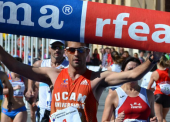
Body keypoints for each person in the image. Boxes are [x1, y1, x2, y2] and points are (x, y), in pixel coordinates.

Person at [0, 41, 162, 122]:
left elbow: (132, 75)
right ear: (66, 52)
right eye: (72, 50)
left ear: (87, 53)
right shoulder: (53, 74)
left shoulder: (97, 78)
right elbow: (15, 66)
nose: (76, 54)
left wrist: (151, 60)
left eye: (81, 50)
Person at [25, 39, 69, 122]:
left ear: (64, 49)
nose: (57, 50)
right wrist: (30, 89)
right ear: (49, 48)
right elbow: (31, 74)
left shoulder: (69, 66)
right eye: (54, 47)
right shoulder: (41, 64)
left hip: (62, 109)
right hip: (44, 109)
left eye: (60, 47)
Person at [102, 57, 157, 122]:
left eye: (136, 70)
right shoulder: (113, 95)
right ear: (122, 72)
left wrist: (154, 120)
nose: (133, 73)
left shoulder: (149, 94)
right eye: (130, 69)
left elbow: (152, 117)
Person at [1, 57, 28, 122]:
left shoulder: (24, 79)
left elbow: (27, 93)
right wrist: (13, 89)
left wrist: (32, 99)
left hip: (20, 110)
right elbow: (1, 91)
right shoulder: (6, 77)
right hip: (6, 110)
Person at [147, 54, 170, 122]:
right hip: (168, 96)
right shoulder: (169, 72)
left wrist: (153, 89)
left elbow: (148, 87)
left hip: (158, 95)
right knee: (163, 118)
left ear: (157, 62)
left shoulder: (155, 73)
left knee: (159, 118)